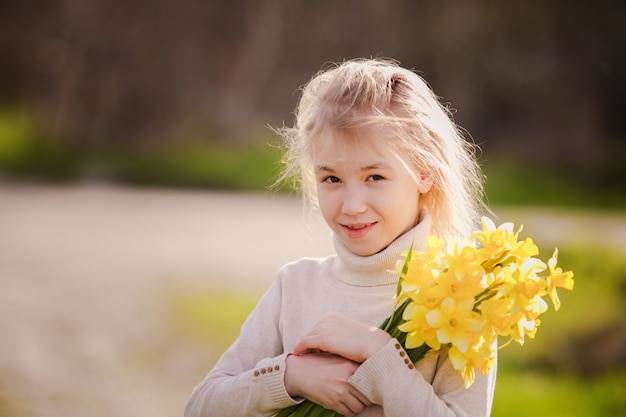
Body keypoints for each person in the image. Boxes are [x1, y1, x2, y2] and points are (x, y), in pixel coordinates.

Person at [184, 58, 496, 417]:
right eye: (331, 179)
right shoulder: (295, 287)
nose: (351, 206)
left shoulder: (464, 302)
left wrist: (383, 361)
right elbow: (200, 406)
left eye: (374, 177)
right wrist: (288, 376)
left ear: (424, 173)